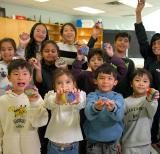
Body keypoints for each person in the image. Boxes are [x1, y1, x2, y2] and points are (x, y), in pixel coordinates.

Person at [0, 59, 48, 154]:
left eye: (25, 74)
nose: (20, 77)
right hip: (10, 148)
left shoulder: (37, 98)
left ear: (30, 77)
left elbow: (40, 122)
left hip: (31, 147)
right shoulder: (3, 100)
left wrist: (34, 103)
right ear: (9, 78)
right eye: (16, 74)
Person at [32, 40, 67, 154]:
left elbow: (67, 83)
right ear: (41, 53)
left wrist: (64, 69)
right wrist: (38, 70)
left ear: (58, 53)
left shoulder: (61, 66)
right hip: (44, 106)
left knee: (57, 135)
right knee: (43, 135)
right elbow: (39, 82)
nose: (50, 53)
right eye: (46, 51)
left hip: (59, 106)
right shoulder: (39, 66)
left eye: (53, 51)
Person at [135, 0, 160, 147]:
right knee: (149, 122)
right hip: (148, 98)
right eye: (154, 44)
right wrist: (138, 13)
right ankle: (150, 142)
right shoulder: (149, 57)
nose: (156, 46)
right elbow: (142, 38)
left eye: (159, 43)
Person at [84, 63, 124, 154]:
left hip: (113, 142)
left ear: (115, 82)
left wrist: (113, 109)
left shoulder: (118, 97)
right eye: (102, 78)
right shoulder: (91, 96)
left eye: (109, 78)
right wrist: (96, 107)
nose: (105, 81)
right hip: (93, 142)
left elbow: (119, 116)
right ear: (95, 81)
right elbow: (88, 115)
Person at [44, 68, 86, 154]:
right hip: (54, 145)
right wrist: (57, 100)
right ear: (54, 86)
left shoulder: (79, 94)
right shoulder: (52, 95)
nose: (64, 86)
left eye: (68, 82)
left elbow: (82, 103)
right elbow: (48, 104)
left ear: (74, 84)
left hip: (72, 145)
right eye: (59, 83)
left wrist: (77, 102)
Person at [121, 68, 159, 154]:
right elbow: (120, 122)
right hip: (127, 143)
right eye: (137, 80)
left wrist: (150, 98)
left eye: (145, 81)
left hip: (144, 143)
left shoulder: (151, 99)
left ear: (149, 85)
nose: (141, 84)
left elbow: (152, 111)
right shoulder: (125, 101)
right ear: (131, 84)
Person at [113, 32, 135, 98]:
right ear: (114, 43)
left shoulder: (130, 63)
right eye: (120, 40)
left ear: (129, 45)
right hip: (107, 96)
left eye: (126, 41)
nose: (122, 42)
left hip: (124, 98)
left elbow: (131, 81)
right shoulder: (107, 59)